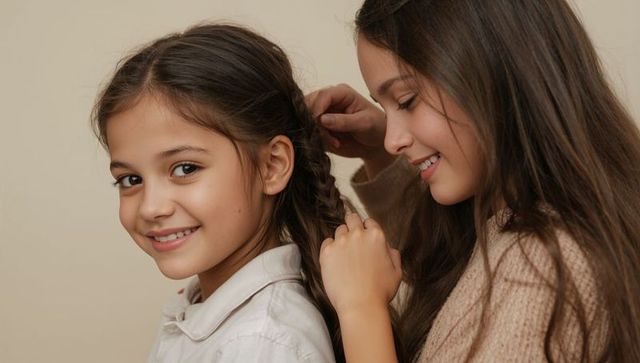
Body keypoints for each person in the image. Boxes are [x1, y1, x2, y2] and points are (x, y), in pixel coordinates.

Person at [307, 0, 640, 362]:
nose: (392, 138)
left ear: (496, 72)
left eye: (406, 100)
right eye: (384, 107)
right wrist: (382, 156)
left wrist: (361, 310)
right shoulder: (504, 224)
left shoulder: (545, 272)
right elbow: (442, 258)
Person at [92, 24, 345, 363]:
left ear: (272, 166)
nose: (151, 208)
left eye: (185, 169)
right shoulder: (206, 310)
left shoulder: (261, 342)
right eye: (130, 180)